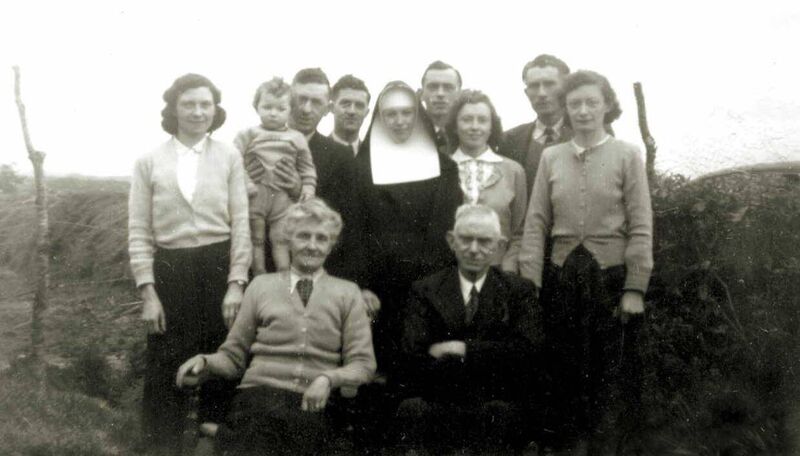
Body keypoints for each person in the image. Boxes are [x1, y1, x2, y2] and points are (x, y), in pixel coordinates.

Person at [176, 198, 376, 456]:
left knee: (287, 431)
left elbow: (363, 364)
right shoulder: (260, 286)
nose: (312, 246)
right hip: (258, 398)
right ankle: (232, 438)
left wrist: (328, 379)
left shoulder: (348, 293)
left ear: (331, 245)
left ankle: (228, 438)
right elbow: (233, 357)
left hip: (312, 403)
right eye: (304, 236)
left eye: (321, 238)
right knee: (263, 425)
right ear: (288, 239)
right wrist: (206, 361)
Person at [519, 70, 653, 454]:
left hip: (611, 282)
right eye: (574, 103)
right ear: (565, 109)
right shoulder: (551, 156)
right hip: (562, 279)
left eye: (591, 102)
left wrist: (635, 288)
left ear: (607, 106)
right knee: (564, 375)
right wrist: (531, 284)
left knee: (610, 378)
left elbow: (642, 223)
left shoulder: (627, 154)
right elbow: (536, 223)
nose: (582, 111)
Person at [128, 73, 250, 454]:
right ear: (173, 109)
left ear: (215, 110)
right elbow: (138, 230)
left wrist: (236, 282)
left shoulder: (229, 155)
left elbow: (241, 222)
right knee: (166, 368)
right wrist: (149, 292)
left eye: (205, 104)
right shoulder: (149, 161)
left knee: (220, 363)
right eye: (189, 104)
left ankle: (211, 448)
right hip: (171, 271)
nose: (198, 112)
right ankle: (160, 448)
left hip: (217, 265)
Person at [396, 204, 544, 454]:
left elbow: (527, 353)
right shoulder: (425, 290)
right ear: (451, 241)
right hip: (440, 401)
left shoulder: (519, 292)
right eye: (466, 239)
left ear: (499, 246)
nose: (474, 249)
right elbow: (412, 354)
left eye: (484, 241)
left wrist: (462, 349)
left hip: (496, 404)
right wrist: (491, 356)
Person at [354, 80, 463, 372]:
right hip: (380, 287)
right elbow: (355, 231)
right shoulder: (361, 170)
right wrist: (362, 285)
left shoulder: (444, 167)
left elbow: (447, 226)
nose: (399, 121)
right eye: (390, 114)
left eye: (406, 112)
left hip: (432, 282)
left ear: (418, 115)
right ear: (379, 118)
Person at [234, 77, 316, 274]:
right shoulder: (248, 134)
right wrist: (246, 182)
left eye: (280, 109)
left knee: (281, 239)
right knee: (256, 238)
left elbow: (307, 168)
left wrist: (307, 189)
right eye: (267, 107)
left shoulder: (297, 138)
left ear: (290, 110)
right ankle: (259, 274)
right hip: (256, 197)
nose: (273, 113)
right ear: (257, 107)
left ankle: (284, 275)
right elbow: (233, 161)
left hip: (282, 200)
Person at [445, 89, 527, 273]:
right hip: (449, 271)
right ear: (455, 126)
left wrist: (508, 268)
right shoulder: (442, 168)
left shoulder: (513, 171)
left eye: (482, 120)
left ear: (492, 127)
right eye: (467, 120)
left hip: (499, 272)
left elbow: (520, 232)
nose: (475, 126)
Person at [499, 54, 573, 197]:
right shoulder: (508, 140)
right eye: (534, 86)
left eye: (549, 84)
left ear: (566, 89)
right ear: (526, 93)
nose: (541, 93)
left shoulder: (589, 134)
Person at [419, 60, 462, 154]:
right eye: (433, 87)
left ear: (459, 94)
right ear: (422, 93)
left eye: (448, 87)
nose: (440, 94)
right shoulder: (410, 133)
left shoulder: (470, 135)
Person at [330, 74, 371, 156]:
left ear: (366, 113)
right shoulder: (313, 152)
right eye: (346, 104)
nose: (352, 111)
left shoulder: (372, 155)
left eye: (359, 105)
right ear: (332, 108)